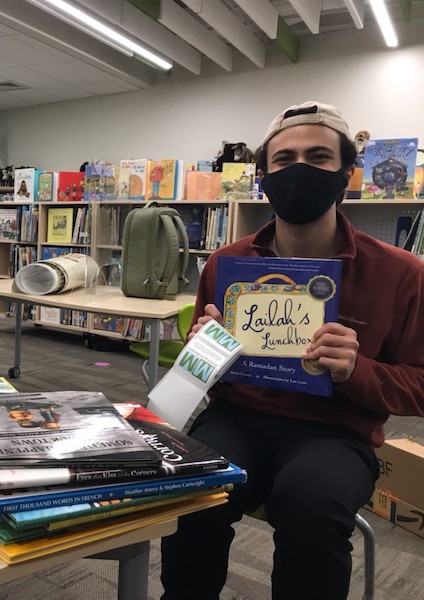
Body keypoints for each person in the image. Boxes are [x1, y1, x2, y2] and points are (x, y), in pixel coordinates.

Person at [160, 101, 424, 599]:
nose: (299, 169)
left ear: (347, 173)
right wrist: (202, 351)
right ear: (263, 175)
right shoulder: (226, 264)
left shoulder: (401, 274)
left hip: (336, 429)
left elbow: (421, 388)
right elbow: (199, 376)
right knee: (193, 492)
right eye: (284, 160)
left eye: (319, 157)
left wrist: (356, 370)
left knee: (312, 504)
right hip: (238, 416)